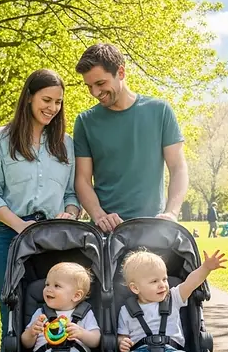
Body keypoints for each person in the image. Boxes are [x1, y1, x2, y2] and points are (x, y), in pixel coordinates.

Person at [0, 69, 81, 352]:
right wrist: (21, 226)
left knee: (57, 315)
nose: (52, 108)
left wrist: (71, 213)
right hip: (10, 238)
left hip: (54, 241)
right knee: (13, 319)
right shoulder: (0, 139)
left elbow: (72, 193)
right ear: (29, 98)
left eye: (58, 102)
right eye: (46, 100)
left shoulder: (65, 143)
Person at [73, 44, 188, 232]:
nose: (95, 93)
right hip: (106, 231)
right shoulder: (85, 122)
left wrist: (171, 213)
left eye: (100, 84)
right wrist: (99, 215)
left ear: (121, 72)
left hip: (152, 228)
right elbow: (82, 180)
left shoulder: (160, 111)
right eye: (89, 86)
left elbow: (178, 168)